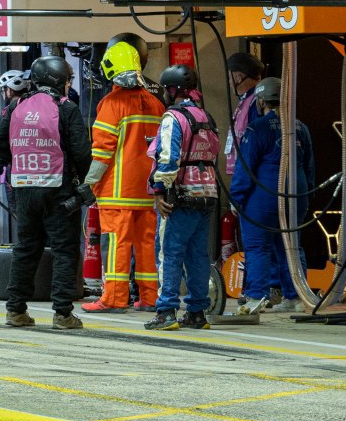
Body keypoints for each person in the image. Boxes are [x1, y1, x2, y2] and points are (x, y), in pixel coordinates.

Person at [0, 55, 93, 329]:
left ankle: (16, 310)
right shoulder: (65, 107)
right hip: (58, 190)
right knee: (64, 250)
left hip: (24, 189)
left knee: (25, 249)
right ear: (59, 80)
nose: (69, 85)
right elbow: (82, 152)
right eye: (68, 80)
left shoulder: (17, 106)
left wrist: (16, 158)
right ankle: (63, 314)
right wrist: (81, 181)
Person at [79, 35, 165, 313]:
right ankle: (150, 298)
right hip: (148, 192)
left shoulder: (110, 103)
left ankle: (114, 299)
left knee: (116, 244)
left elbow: (102, 151)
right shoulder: (156, 103)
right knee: (147, 245)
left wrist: (89, 184)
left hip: (117, 193)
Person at [230, 77, 315, 314]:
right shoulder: (301, 127)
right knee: (292, 246)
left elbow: (246, 168)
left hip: (264, 195)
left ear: (260, 101)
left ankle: (256, 297)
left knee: (258, 246)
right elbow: (309, 166)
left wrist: (236, 198)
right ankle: (296, 297)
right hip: (297, 193)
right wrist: (306, 195)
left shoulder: (256, 128)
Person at [145, 63, 220, 330]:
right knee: (198, 255)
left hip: (179, 197)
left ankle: (166, 311)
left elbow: (168, 158)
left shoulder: (173, 117)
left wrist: (160, 190)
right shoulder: (206, 117)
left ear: (173, 90)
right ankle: (197, 313)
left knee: (169, 253)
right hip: (207, 194)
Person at [226, 52, 266, 156]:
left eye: (230, 77)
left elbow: (258, 140)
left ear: (238, 77)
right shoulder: (246, 99)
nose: (229, 82)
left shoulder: (256, 101)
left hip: (248, 164)